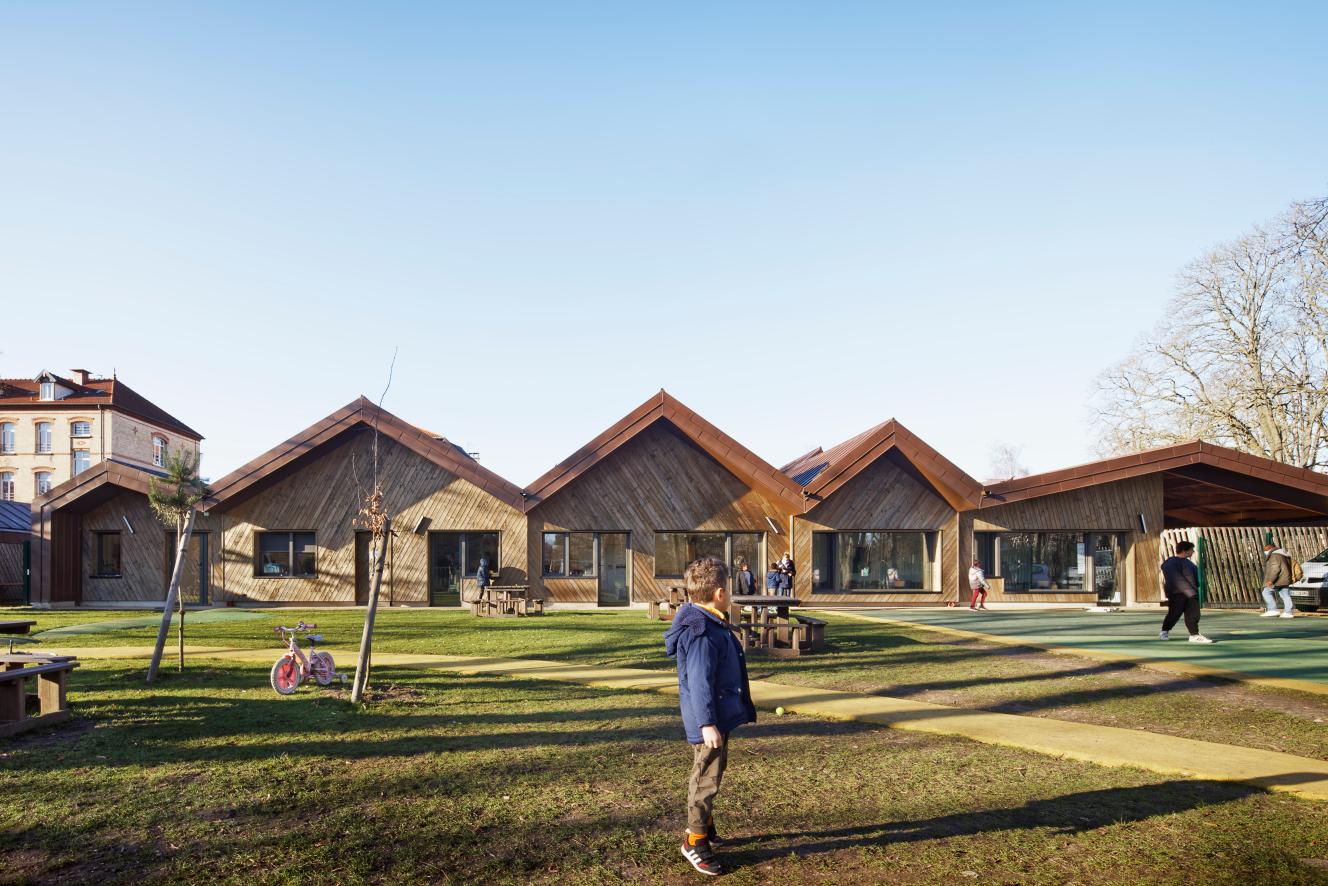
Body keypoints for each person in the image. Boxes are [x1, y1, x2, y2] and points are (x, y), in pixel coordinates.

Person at [664, 556, 756, 877]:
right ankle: (695, 839)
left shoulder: (710, 620)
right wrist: (707, 723)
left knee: (712, 773)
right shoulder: (702, 630)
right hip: (709, 722)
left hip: (717, 717)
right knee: (706, 778)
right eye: (728, 588)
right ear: (719, 592)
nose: (730, 593)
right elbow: (699, 681)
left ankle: (707, 823)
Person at [1159, 540, 1213, 643]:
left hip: (1191, 594)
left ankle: (1194, 635)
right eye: (1191, 550)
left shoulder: (1189, 563)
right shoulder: (1171, 563)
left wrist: (1195, 591)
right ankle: (1164, 631)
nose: (1193, 552)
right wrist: (1190, 591)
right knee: (1174, 614)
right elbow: (1176, 578)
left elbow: (1196, 578)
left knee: (1193, 614)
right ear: (1184, 550)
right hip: (1177, 594)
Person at [1260, 541, 1296, 618]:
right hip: (1285, 579)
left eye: (1265, 550)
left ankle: (1273, 609)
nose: (1265, 551)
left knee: (1266, 592)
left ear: (1270, 549)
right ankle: (1288, 612)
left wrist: (1271, 580)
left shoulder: (1274, 556)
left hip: (1278, 580)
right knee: (1286, 595)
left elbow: (1275, 569)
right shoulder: (1284, 555)